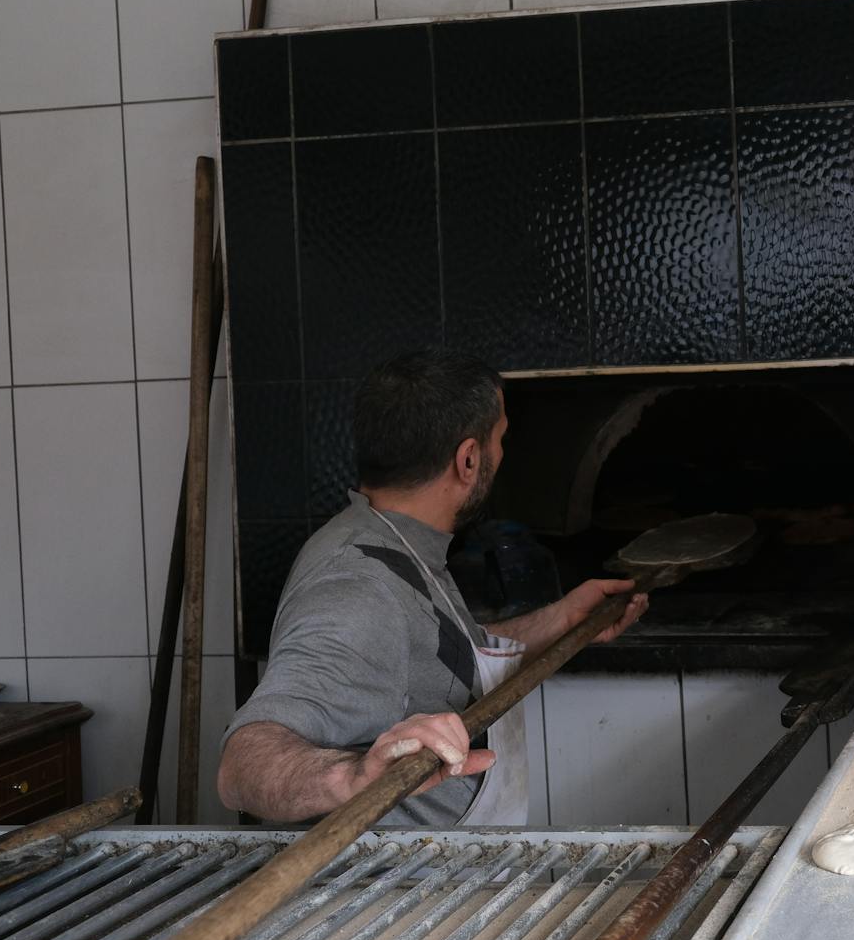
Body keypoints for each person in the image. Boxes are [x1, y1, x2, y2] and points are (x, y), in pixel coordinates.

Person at [217, 349, 648, 826]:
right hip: (385, 892)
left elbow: (443, 656)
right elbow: (242, 764)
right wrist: (354, 776)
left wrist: (563, 619)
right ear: (468, 459)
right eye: (501, 438)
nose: (503, 454)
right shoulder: (355, 588)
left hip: (440, 873)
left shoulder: (397, 542)